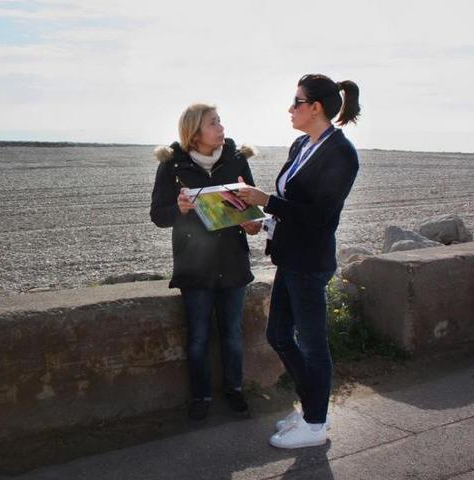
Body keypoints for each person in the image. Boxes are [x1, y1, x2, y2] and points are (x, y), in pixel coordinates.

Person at [236, 74, 361, 448]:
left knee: (312, 344)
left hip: (310, 262)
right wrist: (262, 223)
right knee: (278, 335)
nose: (290, 109)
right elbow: (291, 208)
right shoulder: (301, 144)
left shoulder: (341, 153)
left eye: (296, 102)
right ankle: (310, 409)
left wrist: (265, 200)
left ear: (315, 107)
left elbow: (319, 215)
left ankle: (316, 423)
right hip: (290, 258)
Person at [150, 103, 260, 421]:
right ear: (195, 132)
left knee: (232, 334)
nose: (222, 128)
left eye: (220, 121)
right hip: (193, 265)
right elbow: (158, 215)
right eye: (214, 123)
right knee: (197, 337)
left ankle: (235, 391)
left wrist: (251, 221)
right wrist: (180, 209)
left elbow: (248, 207)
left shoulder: (236, 158)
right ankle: (200, 396)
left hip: (233, 262)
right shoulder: (171, 165)